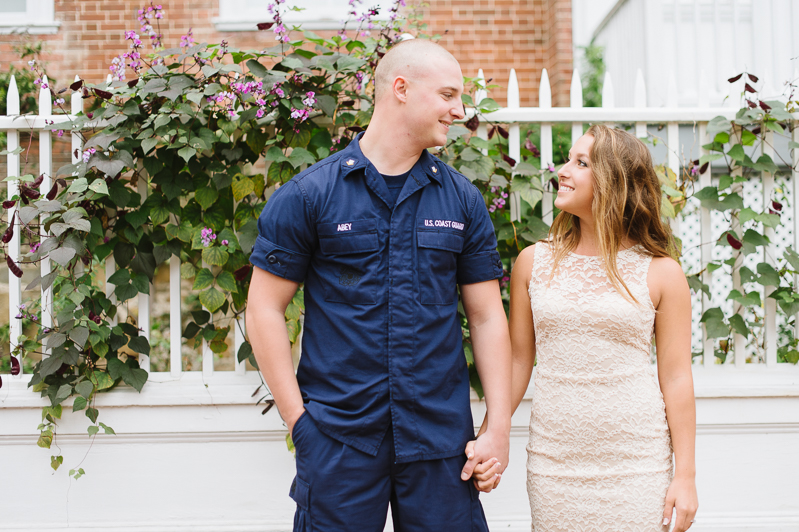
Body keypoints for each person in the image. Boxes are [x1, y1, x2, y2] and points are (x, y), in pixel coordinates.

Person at [245, 38, 511, 532]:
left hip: (440, 443)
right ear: (402, 89)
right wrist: (299, 424)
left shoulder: (462, 201)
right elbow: (263, 308)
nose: (459, 109)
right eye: (449, 94)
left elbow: (487, 315)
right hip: (339, 438)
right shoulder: (309, 196)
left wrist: (499, 426)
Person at [472, 125, 698, 531]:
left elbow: (677, 377)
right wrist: (490, 434)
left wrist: (686, 476)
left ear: (615, 181)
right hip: (554, 463)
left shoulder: (663, 273)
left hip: (637, 464)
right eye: (567, 159)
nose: (563, 170)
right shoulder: (532, 262)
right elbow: (520, 360)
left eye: (581, 163)